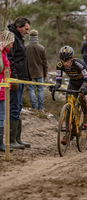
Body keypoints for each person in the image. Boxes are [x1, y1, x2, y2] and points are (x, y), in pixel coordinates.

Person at [49, 45, 87, 128]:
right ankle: (68, 131)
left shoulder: (79, 64)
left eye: (66, 61)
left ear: (72, 58)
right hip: (73, 82)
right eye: (62, 60)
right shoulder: (59, 65)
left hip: (83, 81)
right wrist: (55, 86)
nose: (64, 63)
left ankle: (86, 114)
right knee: (69, 100)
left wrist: (86, 87)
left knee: (80, 95)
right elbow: (58, 81)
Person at [7, 17, 31, 149]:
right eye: (26, 29)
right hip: (15, 79)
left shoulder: (19, 39)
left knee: (18, 106)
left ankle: (17, 138)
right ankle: (11, 140)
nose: (28, 32)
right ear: (18, 27)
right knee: (14, 107)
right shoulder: (13, 38)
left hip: (21, 78)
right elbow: (10, 59)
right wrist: (14, 77)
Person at [26, 29, 48, 112]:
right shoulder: (41, 48)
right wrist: (45, 73)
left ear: (30, 37)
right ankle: (41, 108)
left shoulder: (26, 47)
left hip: (29, 73)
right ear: (37, 37)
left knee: (31, 90)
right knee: (40, 90)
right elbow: (45, 63)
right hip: (39, 73)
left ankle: (34, 108)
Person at [0, 31, 15, 152]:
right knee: (1, 116)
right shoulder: (1, 53)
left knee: (2, 116)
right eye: (11, 42)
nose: (12, 45)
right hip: (1, 89)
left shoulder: (4, 53)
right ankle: (0, 143)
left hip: (4, 88)